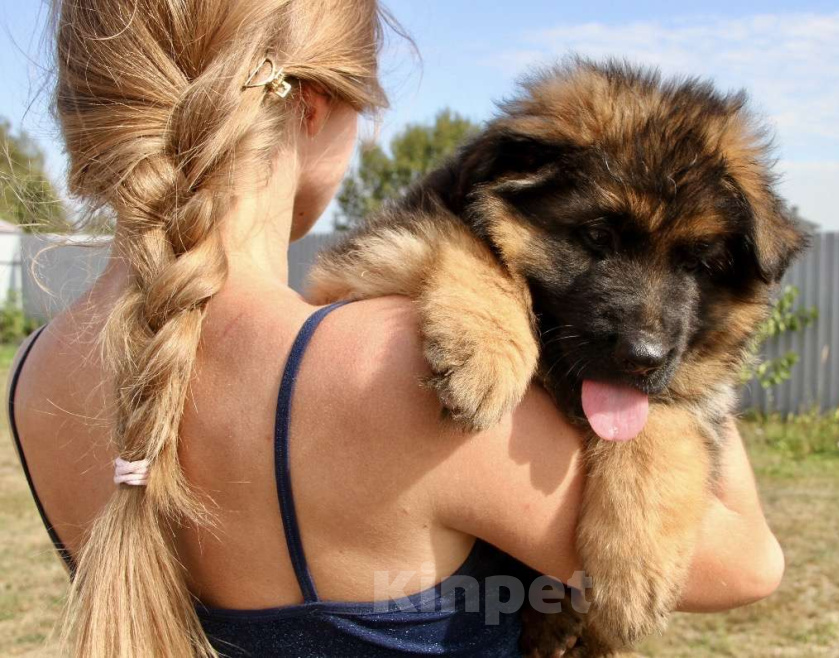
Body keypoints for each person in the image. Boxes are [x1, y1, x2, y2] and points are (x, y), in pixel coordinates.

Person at [8, 1, 784, 656]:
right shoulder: (385, 366)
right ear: (313, 105)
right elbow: (745, 564)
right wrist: (697, 389)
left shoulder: (37, 376)